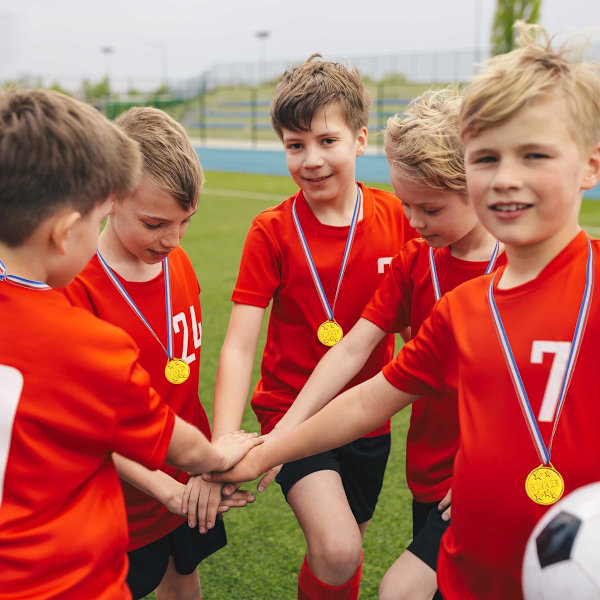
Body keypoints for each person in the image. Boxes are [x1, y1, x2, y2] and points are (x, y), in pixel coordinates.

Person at [206, 22, 600, 600]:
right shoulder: (460, 308)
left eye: (534, 154)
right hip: (461, 528)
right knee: (372, 573)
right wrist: (262, 449)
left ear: (590, 165)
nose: (506, 177)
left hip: (559, 532)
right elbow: (368, 394)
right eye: (486, 158)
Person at [0, 88, 260, 600]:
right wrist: (184, 478)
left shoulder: (176, 263)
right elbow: (84, 422)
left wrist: (198, 478)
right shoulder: (67, 295)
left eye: (187, 223)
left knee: (184, 581)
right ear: (110, 199)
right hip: (123, 502)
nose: (173, 240)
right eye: (155, 223)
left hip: (187, 485)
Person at [266, 86, 503, 600]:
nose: (413, 223)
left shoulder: (518, 268)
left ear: (478, 187)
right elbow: (352, 351)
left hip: (495, 481)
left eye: (430, 209)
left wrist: (492, 477)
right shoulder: (414, 262)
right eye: (405, 204)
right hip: (431, 476)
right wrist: (283, 432)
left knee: (402, 590)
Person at [210, 56, 415, 599]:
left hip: (368, 418)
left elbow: (422, 330)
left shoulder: (399, 218)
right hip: (289, 411)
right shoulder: (271, 231)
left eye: (326, 141)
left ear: (360, 139)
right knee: (339, 547)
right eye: (295, 145)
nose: (311, 159)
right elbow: (238, 343)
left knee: (345, 553)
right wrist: (225, 437)